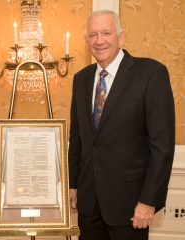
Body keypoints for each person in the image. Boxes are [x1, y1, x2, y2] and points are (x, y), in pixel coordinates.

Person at [69, 10, 175, 240]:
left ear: (121, 37)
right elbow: (77, 138)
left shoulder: (151, 73)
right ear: (86, 41)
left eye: (106, 33)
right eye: (93, 35)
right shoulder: (81, 79)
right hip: (89, 205)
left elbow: (162, 146)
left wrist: (149, 200)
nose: (99, 40)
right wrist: (73, 184)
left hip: (130, 205)